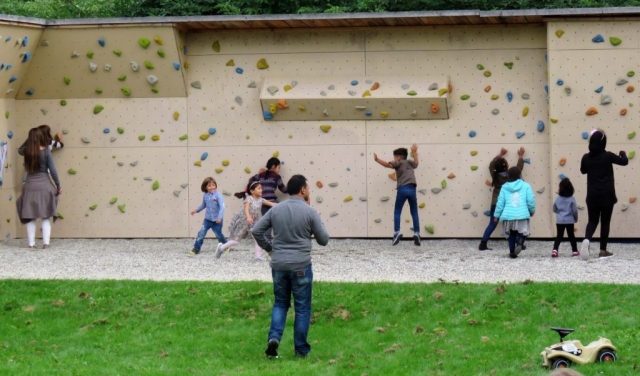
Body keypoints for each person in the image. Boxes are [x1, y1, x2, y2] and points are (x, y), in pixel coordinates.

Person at [251, 174, 329, 359]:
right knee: (302, 308)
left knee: (280, 303)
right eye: (308, 187)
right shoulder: (310, 212)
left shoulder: (277, 209)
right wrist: (318, 219)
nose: (309, 190)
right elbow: (324, 240)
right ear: (303, 190)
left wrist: (270, 249)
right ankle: (301, 350)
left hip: (278, 265)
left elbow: (256, 230)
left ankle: (274, 339)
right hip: (301, 265)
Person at [580, 129, 628, 259]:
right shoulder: (608, 156)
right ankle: (602, 251)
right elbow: (624, 162)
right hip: (607, 195)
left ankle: (587, 240)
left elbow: (583, 171)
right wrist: (623, 154)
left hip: (592, 195)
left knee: (592, 221)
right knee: (605, 222)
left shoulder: (586, 157)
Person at [15, 128, 62, 249]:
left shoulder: (26, 151)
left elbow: (19, 150)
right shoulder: (46, 151)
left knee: (31, 216)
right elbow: (53, 171)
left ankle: (31, 244)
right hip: (45, 185)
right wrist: (58, 186)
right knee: (45, 215)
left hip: (30, 186)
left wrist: (29, 140)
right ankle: (46, 243)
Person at [373, 144, 421, 246]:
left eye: (394, 157)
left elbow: (387, 165)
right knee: (414, 212)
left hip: (402, 188)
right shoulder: (409, 162)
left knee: (397, 211)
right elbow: (416, 164)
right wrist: (415, 152)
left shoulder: (398, 162)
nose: (394, 159)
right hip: (412, 188)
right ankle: (416, 233)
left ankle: (397, 232)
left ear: (398, 158)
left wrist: (377, 159)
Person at [479, 147, 525, 251]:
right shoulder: (510, 176)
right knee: (514, 223)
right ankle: (518, 242)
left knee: (492, 223)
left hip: (496, 202)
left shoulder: (494, 175)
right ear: (506, 167)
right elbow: (518, 168)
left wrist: (500, 154)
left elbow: (491, 164)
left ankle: (483, 243)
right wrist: (521, 156)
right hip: (508, 203)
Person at [215, 181, 276, 261]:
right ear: (252, 191)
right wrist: (248, 217)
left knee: (258, 238)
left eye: (261, 188)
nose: (261, 190)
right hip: (244, 222)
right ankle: (221, 248)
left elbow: (272, 204)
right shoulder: (249, 199)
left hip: (254, 222)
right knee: (235, 241)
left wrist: (284, 205)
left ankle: (258, 256)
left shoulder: (261, 200)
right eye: (259, 188)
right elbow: (246, 209)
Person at [493, 166, 536, 259]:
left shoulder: (504, 187)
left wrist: (496, 215)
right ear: (520, 175)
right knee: (524, 232)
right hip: (522, 214)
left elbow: (500, 202)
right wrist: (532, 210)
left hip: (508, 215)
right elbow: (530, 200)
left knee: (512, 234)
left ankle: (512, 252)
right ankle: (520, 241)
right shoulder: (526, 185)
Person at [250, 157, 287, 243]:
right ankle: (279, 239)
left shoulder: (260, 175)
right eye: (279, 167)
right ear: (274, 166)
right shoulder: (277, 177)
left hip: (262, 201)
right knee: (279, 219)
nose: (279, 170)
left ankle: (267, 240)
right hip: (272, 201)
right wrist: (293, 188)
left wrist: (258, 174)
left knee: (267, 221)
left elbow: (251, 181)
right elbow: (283, 189)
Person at [189, 177, 226, 256]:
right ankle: (196, 248)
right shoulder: (205, 195)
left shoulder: (218, 195)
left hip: (217, 220)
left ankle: (225, 245)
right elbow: (203, 205)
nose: (212, 187)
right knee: (201, 233)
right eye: (209, 186)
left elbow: (222, 207)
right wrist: (196, 210)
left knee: (218, 235)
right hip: (207, 219)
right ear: (205, 187)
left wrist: (219, 217)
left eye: (213, 185)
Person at [551, 178, 579, 258]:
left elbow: (554, 208)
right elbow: (575, 210)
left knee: (559, 235)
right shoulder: (572, 199)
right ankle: (575, 251)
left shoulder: (558, 198)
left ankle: (555, 250)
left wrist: (559, 212)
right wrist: (575, 218)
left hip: (560, 220)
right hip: (569, 220)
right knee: (571, 236)